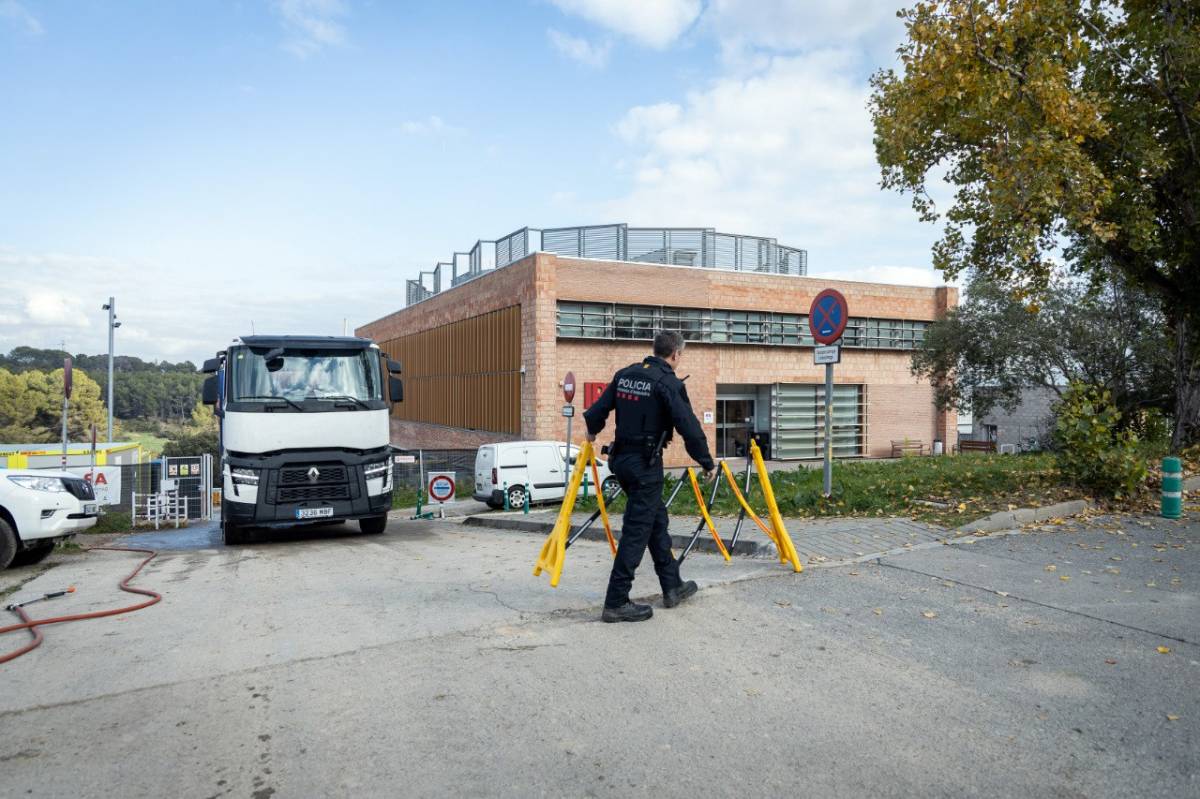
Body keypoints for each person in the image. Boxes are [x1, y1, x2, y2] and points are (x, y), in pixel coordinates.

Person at [584, 330, 716, 623]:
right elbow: (689, 426)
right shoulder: (667, 383)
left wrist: (592, 429)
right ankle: (616, 601)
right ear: (676, 355)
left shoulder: (625, 374)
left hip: (621, 460)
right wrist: (707, 462)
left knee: (656, 521)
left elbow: (597, 410)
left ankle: (672, 586)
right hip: (645, 465)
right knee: (637, 530)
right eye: (680, 355)